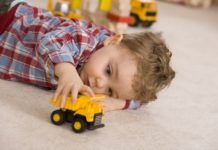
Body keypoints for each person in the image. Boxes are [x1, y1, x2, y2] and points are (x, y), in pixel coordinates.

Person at [0, 1, 175, 111]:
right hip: (9, 21)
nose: (100, 84)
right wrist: (67, 72)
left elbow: (141, 98)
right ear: (112, 41)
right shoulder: (84, 39)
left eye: (110, 91)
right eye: (108, 71)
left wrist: (119, 103)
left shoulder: (117, 63)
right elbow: (51, 42)